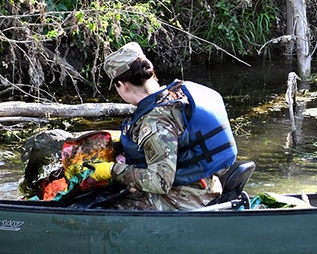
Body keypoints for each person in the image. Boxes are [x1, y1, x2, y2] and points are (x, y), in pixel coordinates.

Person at [84, 42, 237, 210]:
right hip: (207, 186)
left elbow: (160, 182)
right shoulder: (177, 95)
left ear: (123, 86)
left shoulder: (155, 122)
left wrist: (112, 170)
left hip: (188, 201)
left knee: (104, 206)